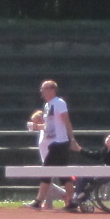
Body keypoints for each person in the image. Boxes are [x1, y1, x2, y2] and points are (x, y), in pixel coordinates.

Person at [33, 78, 74, 210]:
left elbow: (66, 121)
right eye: (42, 89)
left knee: (46, 170)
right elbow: (49, 126)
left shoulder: (59, 103)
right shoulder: (47, 106)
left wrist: (72, 139)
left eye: (44, 88)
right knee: (63, 174)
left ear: (52, 90)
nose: (42, 91)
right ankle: (71, 201)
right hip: (53, 143)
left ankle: (38, 201)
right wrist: (37, 127)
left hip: (60, 142)